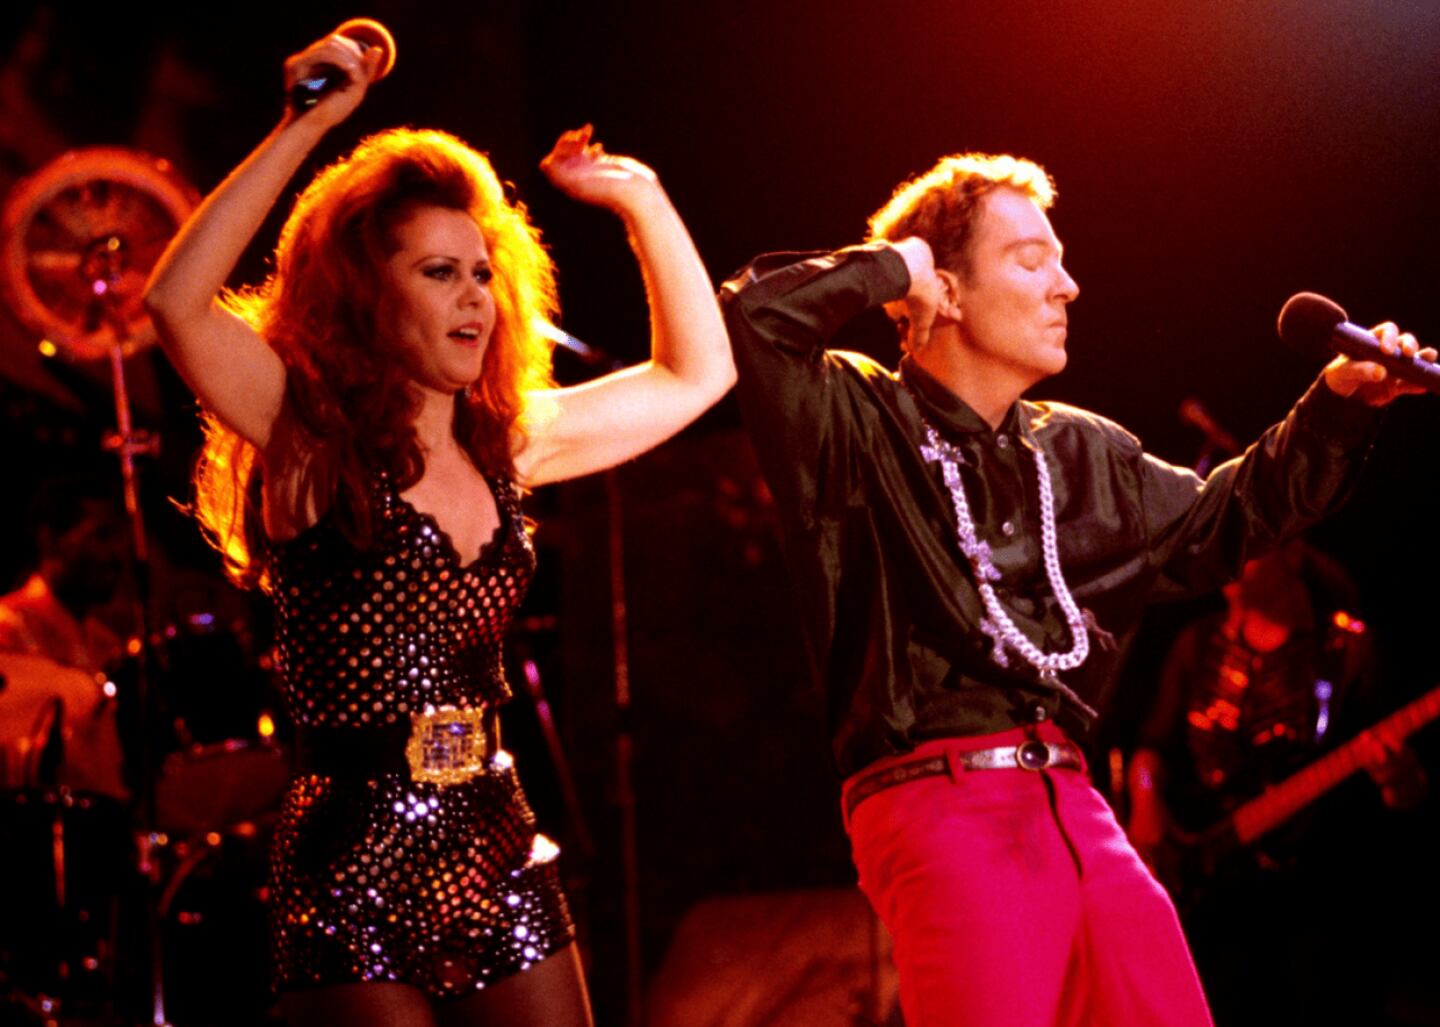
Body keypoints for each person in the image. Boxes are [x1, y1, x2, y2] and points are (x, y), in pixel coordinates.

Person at [718, 152, 1432, 1026]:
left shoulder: (1081, 452)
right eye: (1031, 259)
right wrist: (901, 264)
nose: (1068, 285)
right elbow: (756, 315)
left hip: (1076, 803)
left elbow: (1229, 516)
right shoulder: (854, 420)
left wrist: (1340, 402)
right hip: (937, 803)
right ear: (947, 288)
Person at [142, 29, 733, 1027]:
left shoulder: (507, 445)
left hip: (494, 838)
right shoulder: (309, 438)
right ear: (367, 293)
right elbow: (175, 302)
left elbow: (696, 374)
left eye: (481, 272)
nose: (474, 298)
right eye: (437, 272)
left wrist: (639, 199)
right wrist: (306, 124)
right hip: (351, 859)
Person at [1126, 540, 1425, 1022]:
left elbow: (1407, 799)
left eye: (1248, 549)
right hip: (1216, 888)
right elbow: (1151, 745)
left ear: (1291, 554)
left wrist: (1397, 778)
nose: (1229, 563)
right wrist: (1146, 803)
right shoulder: (1197, 641)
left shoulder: (1350, 649)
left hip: (1323, 895)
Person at [0, 474, 128, 798]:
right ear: (51, 541)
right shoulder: (7, 629)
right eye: (100, 535)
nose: (116, 554)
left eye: (119, 537)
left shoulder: (107, 644)